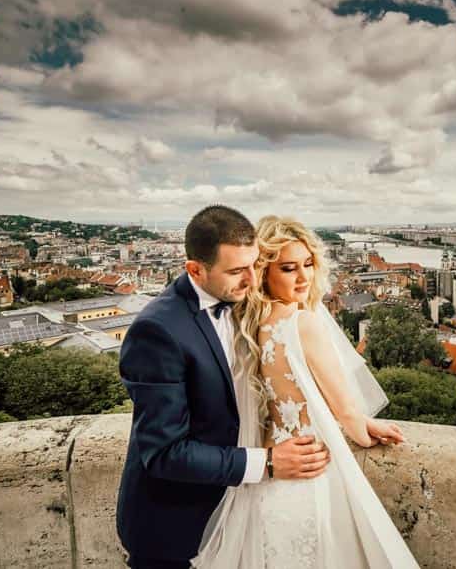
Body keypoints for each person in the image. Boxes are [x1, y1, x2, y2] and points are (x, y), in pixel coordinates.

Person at [192, 215, 418, 568]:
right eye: (288, 268)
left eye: (308, 264)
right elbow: (345, 413)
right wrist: (363, 427)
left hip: (266, 476)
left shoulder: (245, 323)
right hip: (311, 469)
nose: (303, 277)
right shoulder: (304, 322)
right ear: (265, 271)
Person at [116, 206, 331, 568]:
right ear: (195, 270)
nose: (252, 279)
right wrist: (269, 463)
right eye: (236, 271)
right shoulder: (157, 331)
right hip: (174, 526)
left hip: (241, 515)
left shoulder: (245, 302)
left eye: (255, 264)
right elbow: (165, 453)